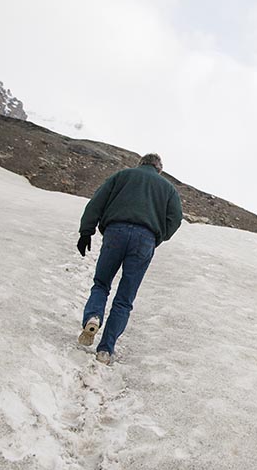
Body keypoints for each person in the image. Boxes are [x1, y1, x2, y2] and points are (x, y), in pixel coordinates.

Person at [76, 153, 182, 365]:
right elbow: (176, 218)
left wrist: (86, 232)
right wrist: (158, 236)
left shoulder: (122, 176)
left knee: (101, 283)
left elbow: (97, 202)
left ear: (140, 163)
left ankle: (93, 317)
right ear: (158, 169)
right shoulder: (168, 189)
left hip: (115, 231)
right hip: (145, 239)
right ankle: (106, 349)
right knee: (125, 298)